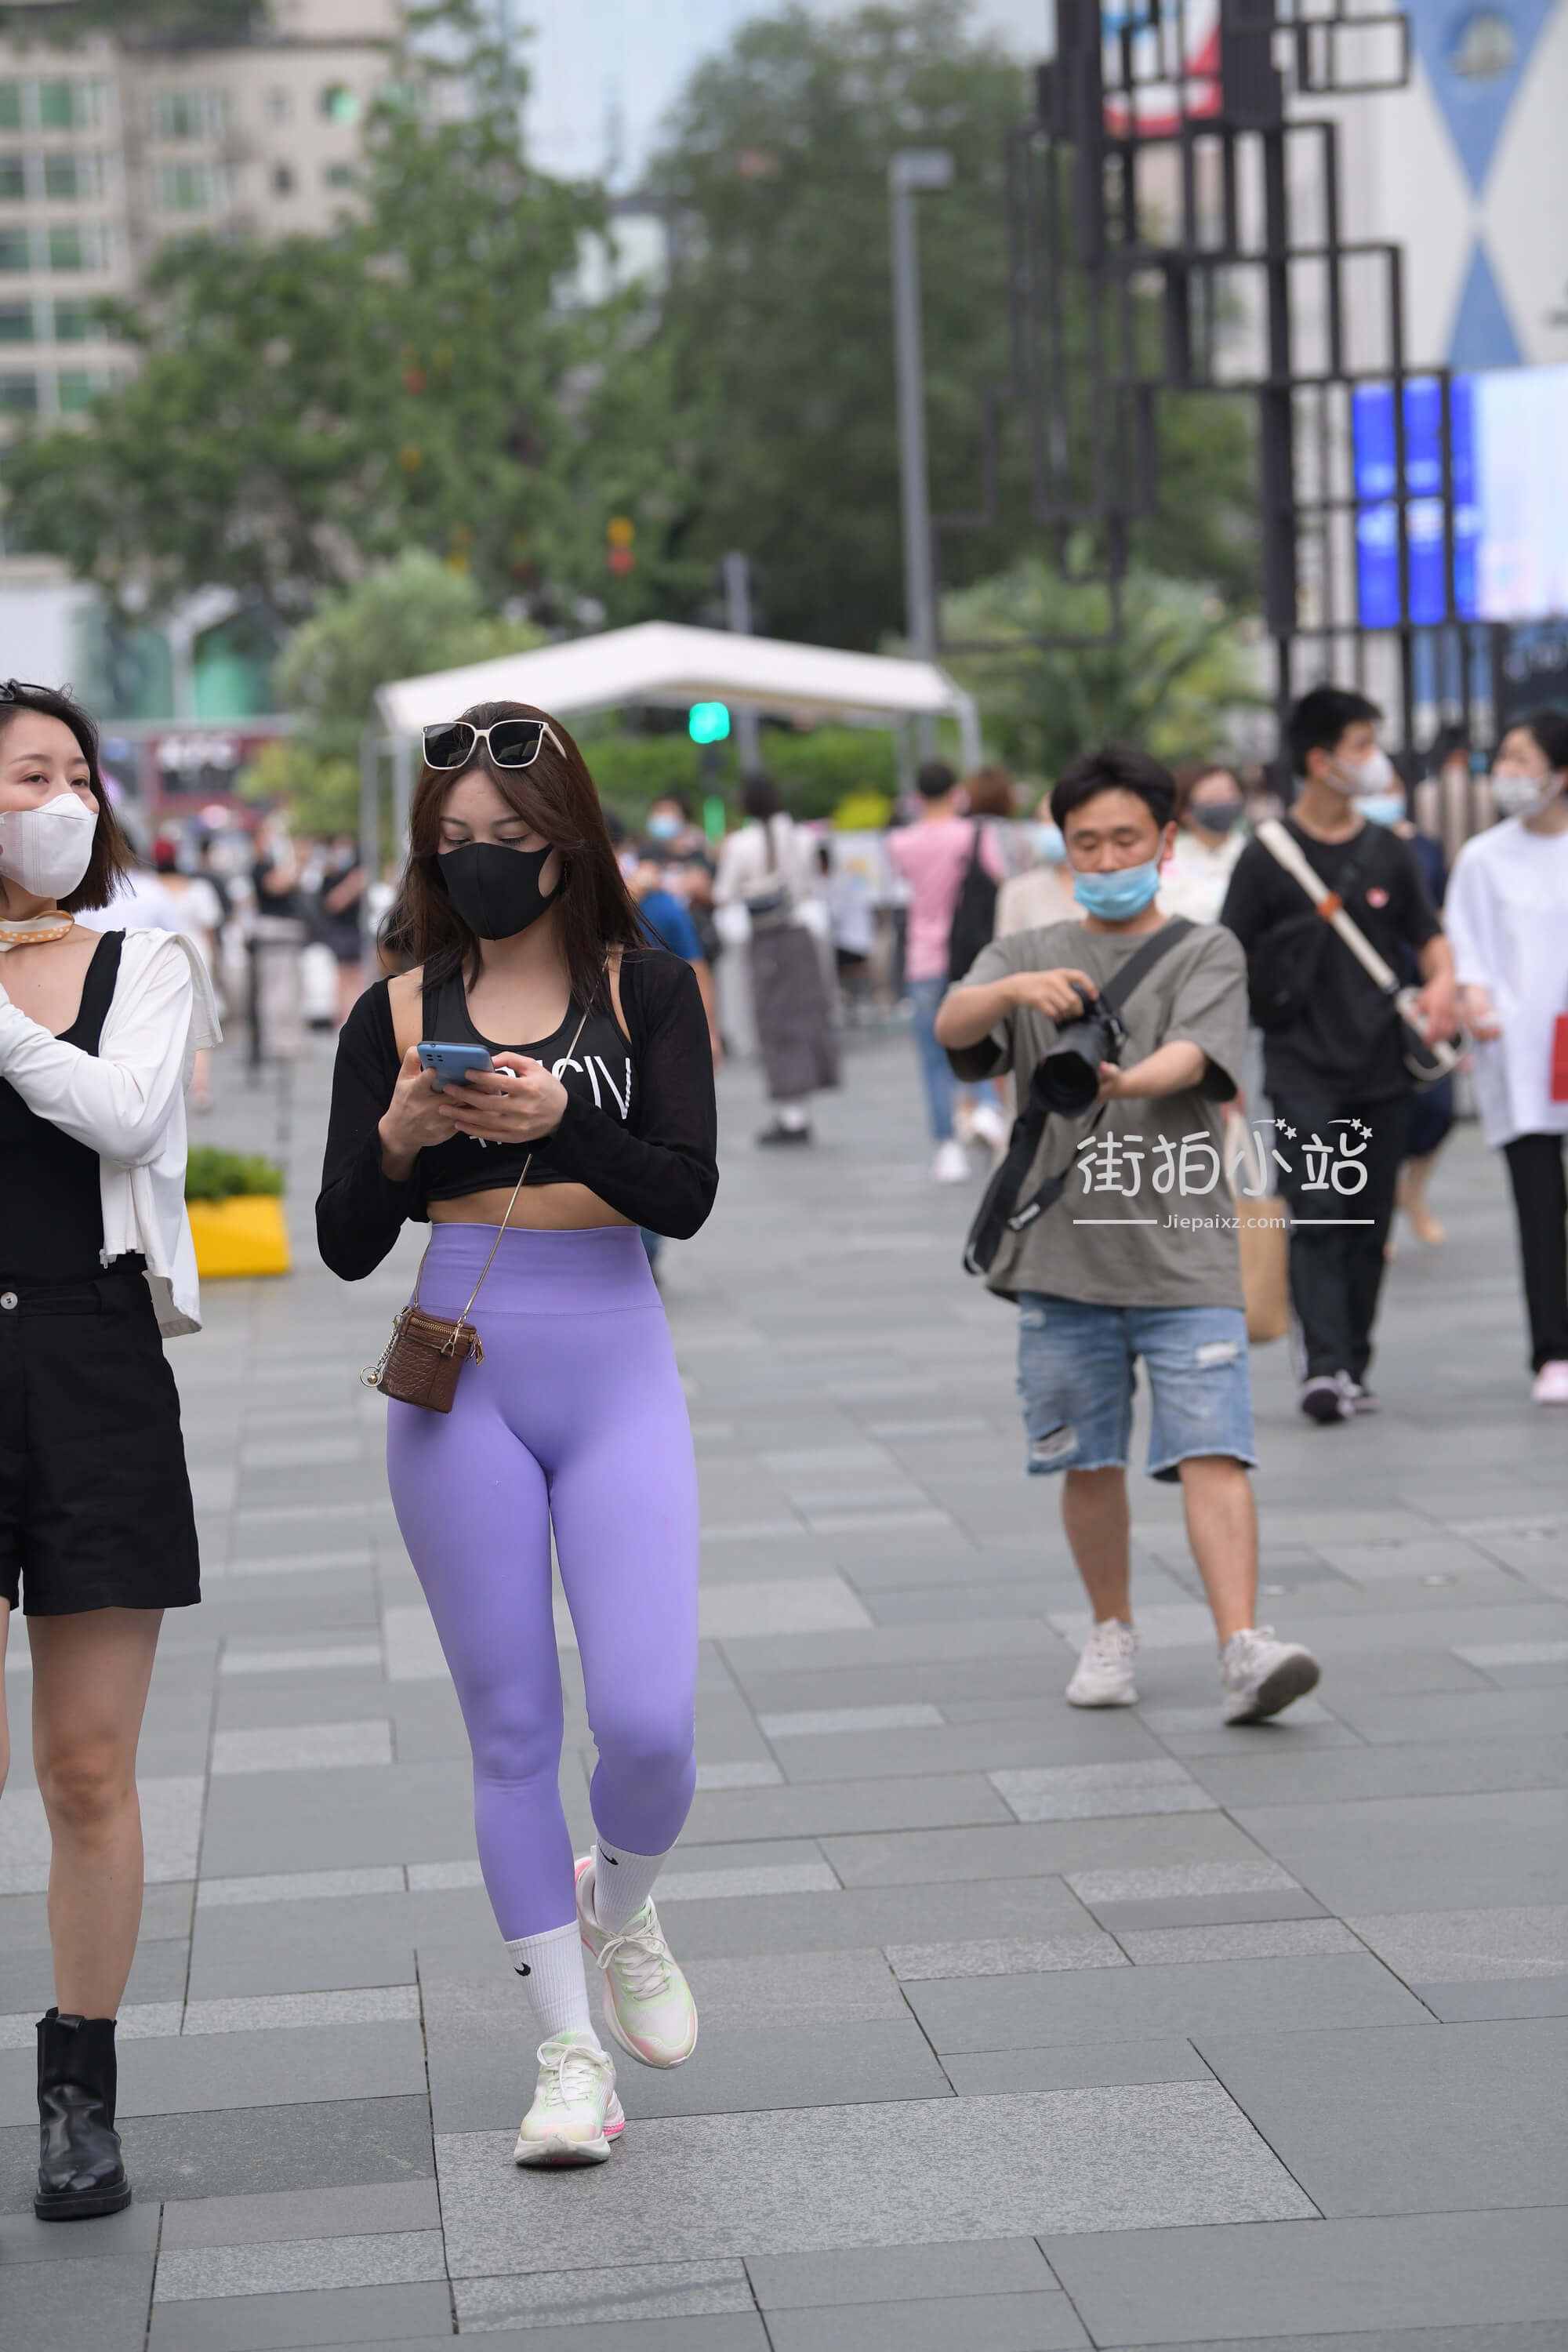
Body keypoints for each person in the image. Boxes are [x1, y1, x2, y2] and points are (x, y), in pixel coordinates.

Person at [318, 701, 717, 2169]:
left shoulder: (649, 990)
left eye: (510, 836)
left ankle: (623, 1904)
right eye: (456, 840)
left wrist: (559, 1119)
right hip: (459, 1370)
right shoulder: (394, 1011)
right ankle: (567, 2058)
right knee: (509, 1731)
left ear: (567, 843)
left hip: (615, 1360)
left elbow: (685, 1194)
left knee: (651, 1723)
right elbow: (343, 1242)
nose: (481, 860)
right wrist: (399, 1142)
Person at [935, 744, 1320, 1725]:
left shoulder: (1204, 948)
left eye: (1124, 840)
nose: (1106, 860)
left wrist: (1116, 1080)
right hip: (1059, 1256)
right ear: (1063, 848)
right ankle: (1110, 1630)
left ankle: (1242, 1646)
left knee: (1214, 1449)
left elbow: (1194, 1056)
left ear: (1164, 840)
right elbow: (951, 1025)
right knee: (1086, 1458)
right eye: (1086, 844)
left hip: (1185, 1249)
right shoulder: (1028, 949)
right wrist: (1014, 994)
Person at [0, 679, 217, 2223]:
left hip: (90, 1361)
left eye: (76, 772)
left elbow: (131, 1118)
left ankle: (80, 2096)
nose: (62, 800)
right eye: (29, 775)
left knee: (87, 1767)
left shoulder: (146, 957)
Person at [1220, 688, 1456, 1424]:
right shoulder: (1266, 857)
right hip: (1300, 1065)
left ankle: (1353, 1359)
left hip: (1381, 1065)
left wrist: (1443, 984)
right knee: (1318, 1209)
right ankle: (1322, 1366)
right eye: (1361, 745)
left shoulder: (1388, 849)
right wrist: (1221, 1067)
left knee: (1369, 1218)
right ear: (1320, 761)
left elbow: (1428, 935)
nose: (1374, 760)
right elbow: (1228, 959)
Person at [1446, 710, 1568, 1404]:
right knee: (1539, 1203)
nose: (1510, 774)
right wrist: (1474, 998)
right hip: (1522, 1052)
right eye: (1507, 759)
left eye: (1526, 760)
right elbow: (1467, 946)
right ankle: (1553, 1348)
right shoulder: (1483, 858)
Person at [887, 759, 1008, 1182]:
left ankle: (947, 1147)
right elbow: (999, 878)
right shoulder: (975, 834)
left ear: (917, 797)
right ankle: (986, 1106)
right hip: (972, 954)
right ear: (956, 791)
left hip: (923, 957)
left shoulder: (901, 842)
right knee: (981, 1035)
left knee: (932, 1054)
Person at [713, 775, 838, 1147]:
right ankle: (800, 1108)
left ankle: (791, 1113)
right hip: (800, 935)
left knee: (774, 1022)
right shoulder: (802, 838)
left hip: (763, 938)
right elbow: (815, 884)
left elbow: (723, 892)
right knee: (805, 1015)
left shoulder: (740, 844)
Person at [1160, 763, 1249, 926]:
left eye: (1230, 794)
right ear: (1185, 811)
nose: (1224, 803)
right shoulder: (1167, 859)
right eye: (1212, 798)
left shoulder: (1254, 853)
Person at [995, 791, 1080, 938]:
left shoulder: (1107, 888)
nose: (1050, 829)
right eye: (1044, 821)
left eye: (1057, 821)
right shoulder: (1018, 891)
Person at [314, 832, 368, 1028]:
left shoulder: (357, 870)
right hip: (339, 931)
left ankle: (355, 1017)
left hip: (355, 929)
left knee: (357, 974)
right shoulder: (331, 876)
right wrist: (352, 886)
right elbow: (333, 902)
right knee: (343, 975)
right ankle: (343, 1018)